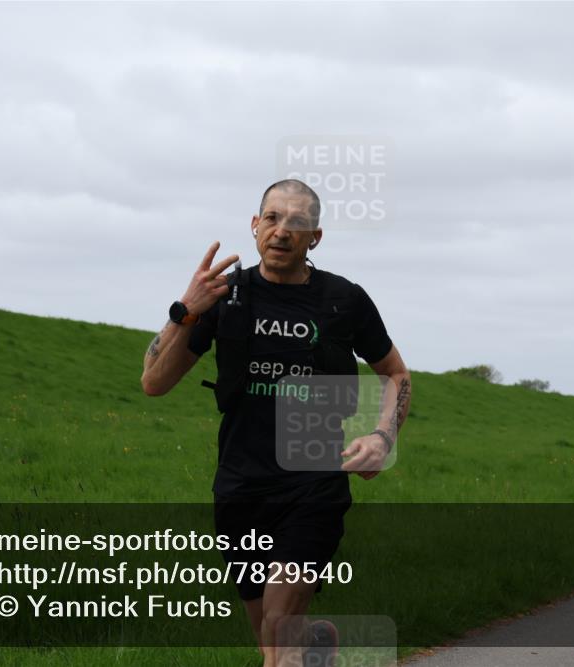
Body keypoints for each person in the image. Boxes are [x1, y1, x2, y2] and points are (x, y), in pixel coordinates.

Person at [141, 179, 411, 666]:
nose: (282, 231)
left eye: (297, 223)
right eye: (272, 218)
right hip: (240, 486)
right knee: (268, 632)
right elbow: (154, 382)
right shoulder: (225, 297)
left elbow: (395, 373)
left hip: (314, 485)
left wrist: (382, 436)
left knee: (276, 640)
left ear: (316, 237)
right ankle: (315, 646)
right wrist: (185, 312)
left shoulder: (344, 301)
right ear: (254, 225)